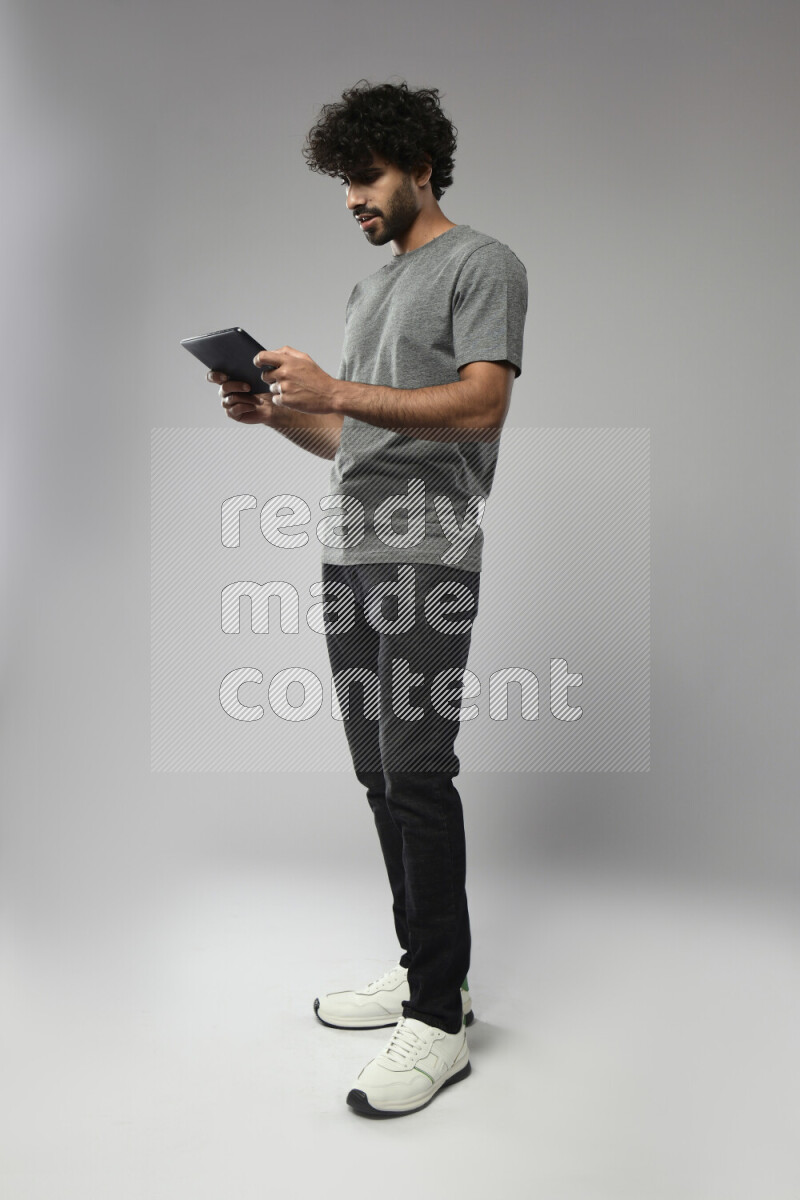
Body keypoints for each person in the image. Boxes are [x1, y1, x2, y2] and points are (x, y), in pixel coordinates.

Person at [208, 79, 527, 1118]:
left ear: (420, 165)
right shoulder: (367, 293)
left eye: (366, 176)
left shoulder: (481, 264)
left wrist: (334, 386)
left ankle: (437, 1022)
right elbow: (358, 441)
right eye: (342, 182)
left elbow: (479, 406)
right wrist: (277, 415)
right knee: (378, 776)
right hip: (348, 553)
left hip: (426, 556)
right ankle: (422, 968)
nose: (351, 197)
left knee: (419, 775)